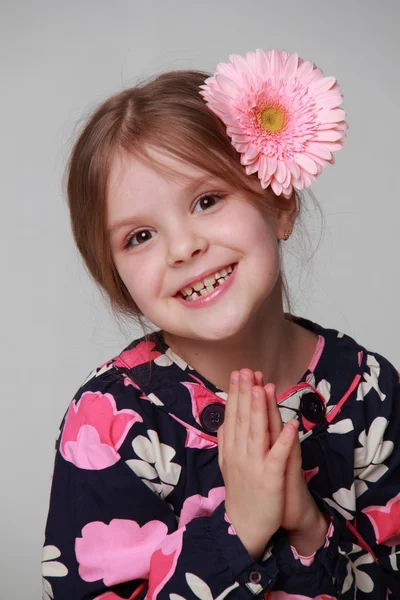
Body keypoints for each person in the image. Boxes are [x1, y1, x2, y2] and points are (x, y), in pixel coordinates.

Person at [41, 49, 400, 599]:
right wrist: (243, 527)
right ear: (119, 279)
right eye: (139, 236)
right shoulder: (110, 424)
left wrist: (308, 528)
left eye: (207, 200)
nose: (184, 247)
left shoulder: (370, 390)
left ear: (279, 204)